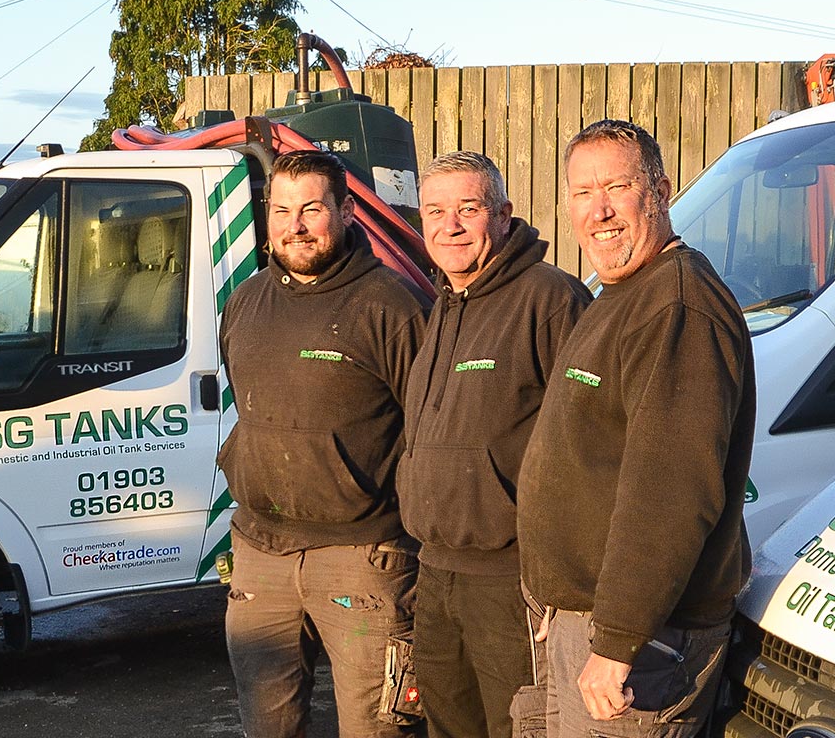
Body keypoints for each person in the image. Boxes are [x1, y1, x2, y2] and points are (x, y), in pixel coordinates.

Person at [515, 120, 756, 736]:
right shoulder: (621, 294)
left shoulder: (677, 307)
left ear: (661, 190)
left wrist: (619, 639)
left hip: (644, 644)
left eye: (617, 187)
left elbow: (671, 493)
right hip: (587, 622)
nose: (599, 211)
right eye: (581, 193)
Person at [217, 150, 430, 738]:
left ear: (346, 209)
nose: (296, 225)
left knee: (379, 727)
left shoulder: (392, 305)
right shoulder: (247, 303)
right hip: (262, 553)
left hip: (363, 561)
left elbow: (433, 431)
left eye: (312, 208)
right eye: (282, 210)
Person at [398, 152, 591, 738]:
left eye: (468, 208)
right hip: (436, 573)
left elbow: (588, 447)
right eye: (436, 210)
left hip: (510, 585)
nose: (449, 224)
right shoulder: (442, 305)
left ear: (504, 215)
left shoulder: (552, 300)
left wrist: (560, 586)